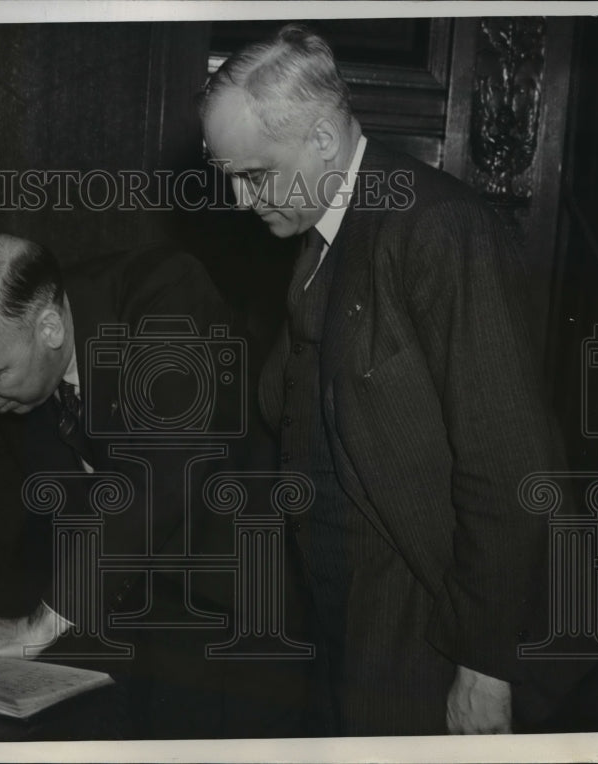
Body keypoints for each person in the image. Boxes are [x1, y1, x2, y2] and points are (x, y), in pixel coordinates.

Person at [199, 24, 574, 735]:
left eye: (255, 175)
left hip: (424, 619)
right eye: (231, 179)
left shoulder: (438, 228)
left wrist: (485, 665)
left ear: (321, 140)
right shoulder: (319, 228)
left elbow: (511, 462)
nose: (244, 202)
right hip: (342, 610)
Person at [0, 232, 311, 737]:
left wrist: (35, 627)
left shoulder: (165, 294)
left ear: (49, 328)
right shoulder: (2, 370)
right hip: (118, 622)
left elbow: (163, 477)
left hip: (241, 615)